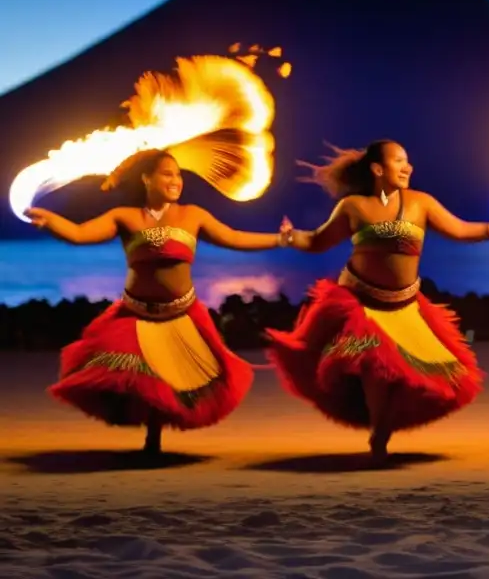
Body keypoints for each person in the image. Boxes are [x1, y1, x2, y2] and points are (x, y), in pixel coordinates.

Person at [267, 139, 489, 464]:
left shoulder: (421, 203)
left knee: (413, 376)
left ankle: (382, 428)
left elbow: (459, 230)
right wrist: (290, 237)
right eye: (399, 161)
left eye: (408, 161)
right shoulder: (353, 206)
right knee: (375, 368)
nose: (408, 167)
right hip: (359, 304)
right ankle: (380, 435)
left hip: (404, 305)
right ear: (377, 169)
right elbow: (317, 241)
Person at [24, 149, 291, 455]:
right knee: (144, 377)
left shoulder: (193, 215)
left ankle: (155, 438)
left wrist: (280, 239)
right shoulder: (125, 216)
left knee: (175, 379)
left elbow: (235, 237)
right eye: (167, 173)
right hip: (135, 314)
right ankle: (152, 440)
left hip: (182, 313)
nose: (175, 180)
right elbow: (80, 234)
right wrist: (51, 221)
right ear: (146, 178)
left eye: (178, 174)